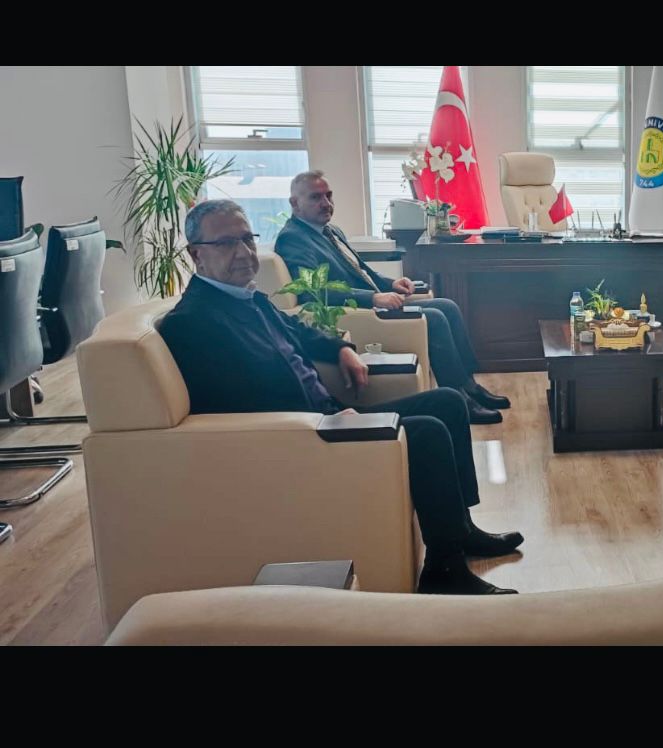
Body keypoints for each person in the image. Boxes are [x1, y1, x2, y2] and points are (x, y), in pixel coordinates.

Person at [160, 199, 523, 595]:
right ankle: (444, 571)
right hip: (301, 437)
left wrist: (341, 349)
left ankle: (461, 530)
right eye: (227, 243)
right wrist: (319, 422)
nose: (245, 253)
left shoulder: (247, 298)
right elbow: (233, 405)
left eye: (247, 239)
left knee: (447, 402)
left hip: (328, 416)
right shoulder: (193, 322)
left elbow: (301, 333)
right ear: (196, 254)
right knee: (427, 432)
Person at [275, 170, 509, 425]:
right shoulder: (293, 238)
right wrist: (373, 298)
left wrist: (390, 284)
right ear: (295, 203)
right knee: (435, 318)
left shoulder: (331, 231)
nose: (326, 203)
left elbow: (361, 270)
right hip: (360, 312)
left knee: (448, 306)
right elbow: (314, 290)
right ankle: (462, 401)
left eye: (328, 196)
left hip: (372, 302)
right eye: (316, 197)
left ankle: (469, 386)